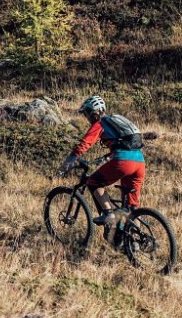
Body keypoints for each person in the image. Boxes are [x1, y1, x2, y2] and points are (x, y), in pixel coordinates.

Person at [58, 95, 145, 226]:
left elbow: (84, 144)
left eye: (87, 113)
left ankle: (108, 213)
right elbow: (125, 142)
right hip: (140, 162)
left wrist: (68, 162)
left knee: (93, 182)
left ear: (95, 112)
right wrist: (106, 157)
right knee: (131, 208)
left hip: (124, 162)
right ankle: (134, 241)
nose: (86, 117)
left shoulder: (100, 123)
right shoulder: (116, 120)